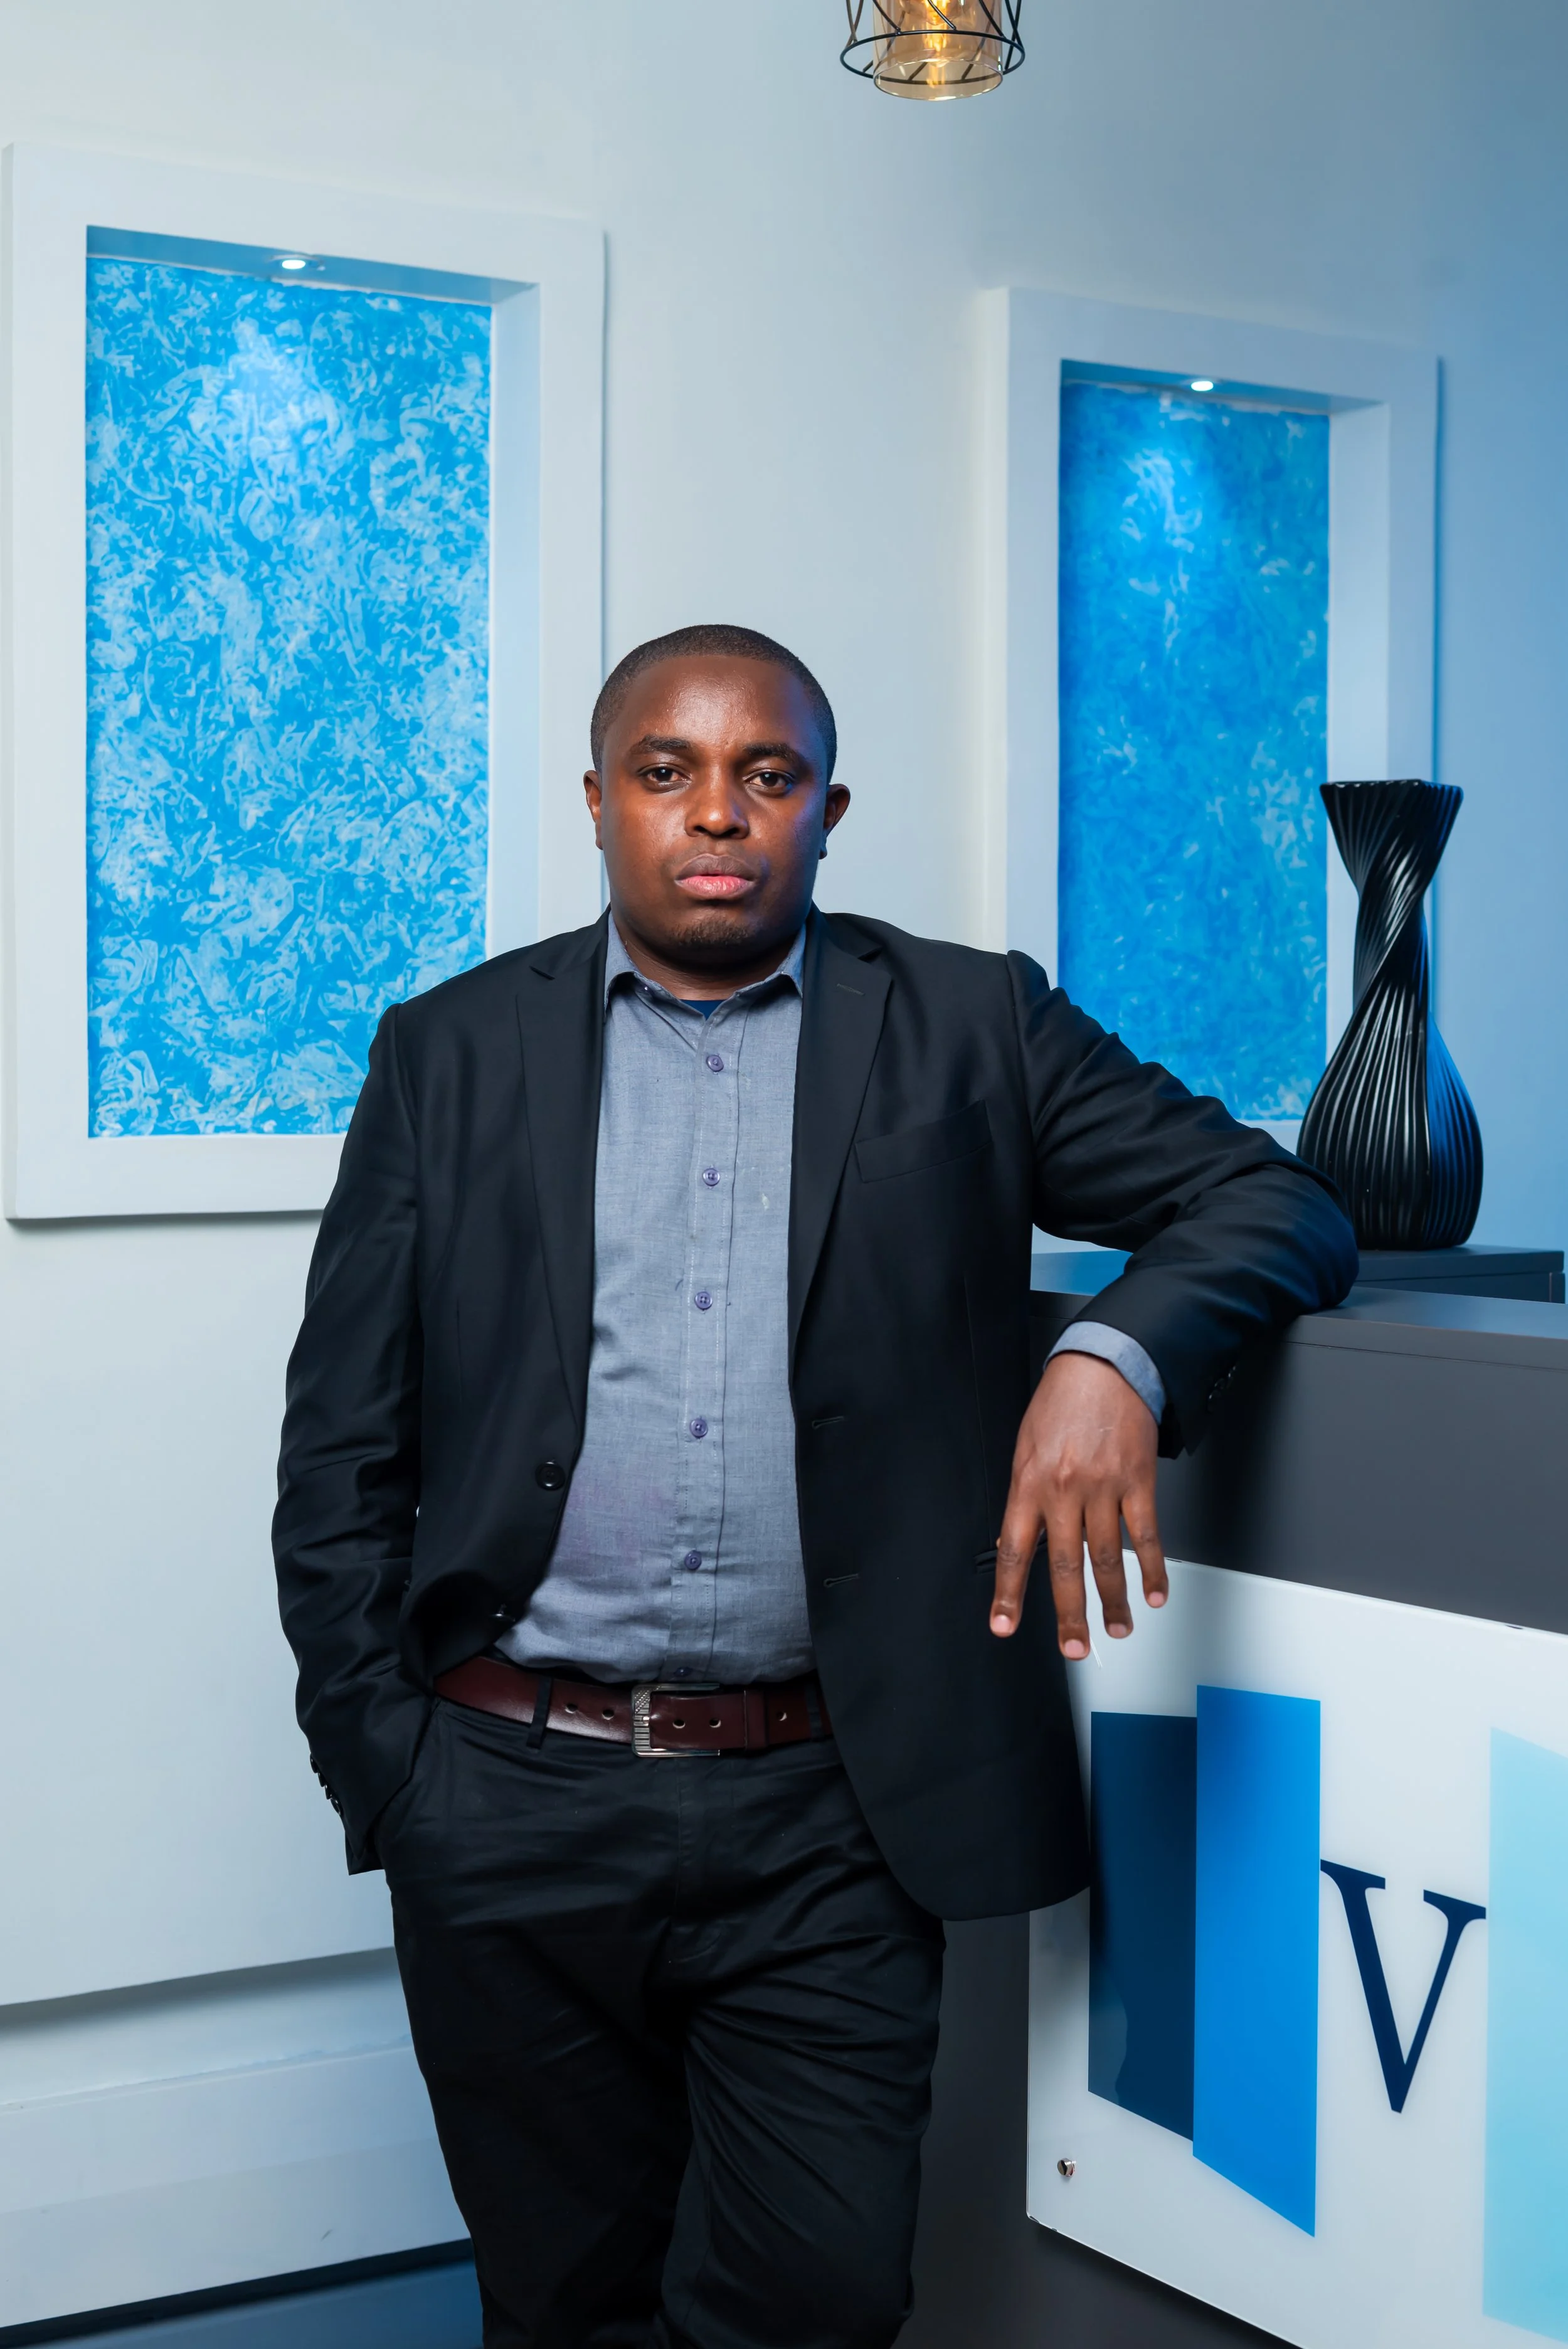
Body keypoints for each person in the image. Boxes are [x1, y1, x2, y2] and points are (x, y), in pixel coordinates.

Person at [274, 623, 1356, 2349]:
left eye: (765, 776)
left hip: (834, 1816)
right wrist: (396, 1777)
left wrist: (1107, 1360)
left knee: (821, 2295)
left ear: (825, 808)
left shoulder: (969, 1023)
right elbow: (340, 1444)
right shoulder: (451, 1051)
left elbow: (1276, 1202)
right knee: (567, 2302)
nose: (719, 814)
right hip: (505, 1800)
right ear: (600, 804)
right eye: (669, 773)